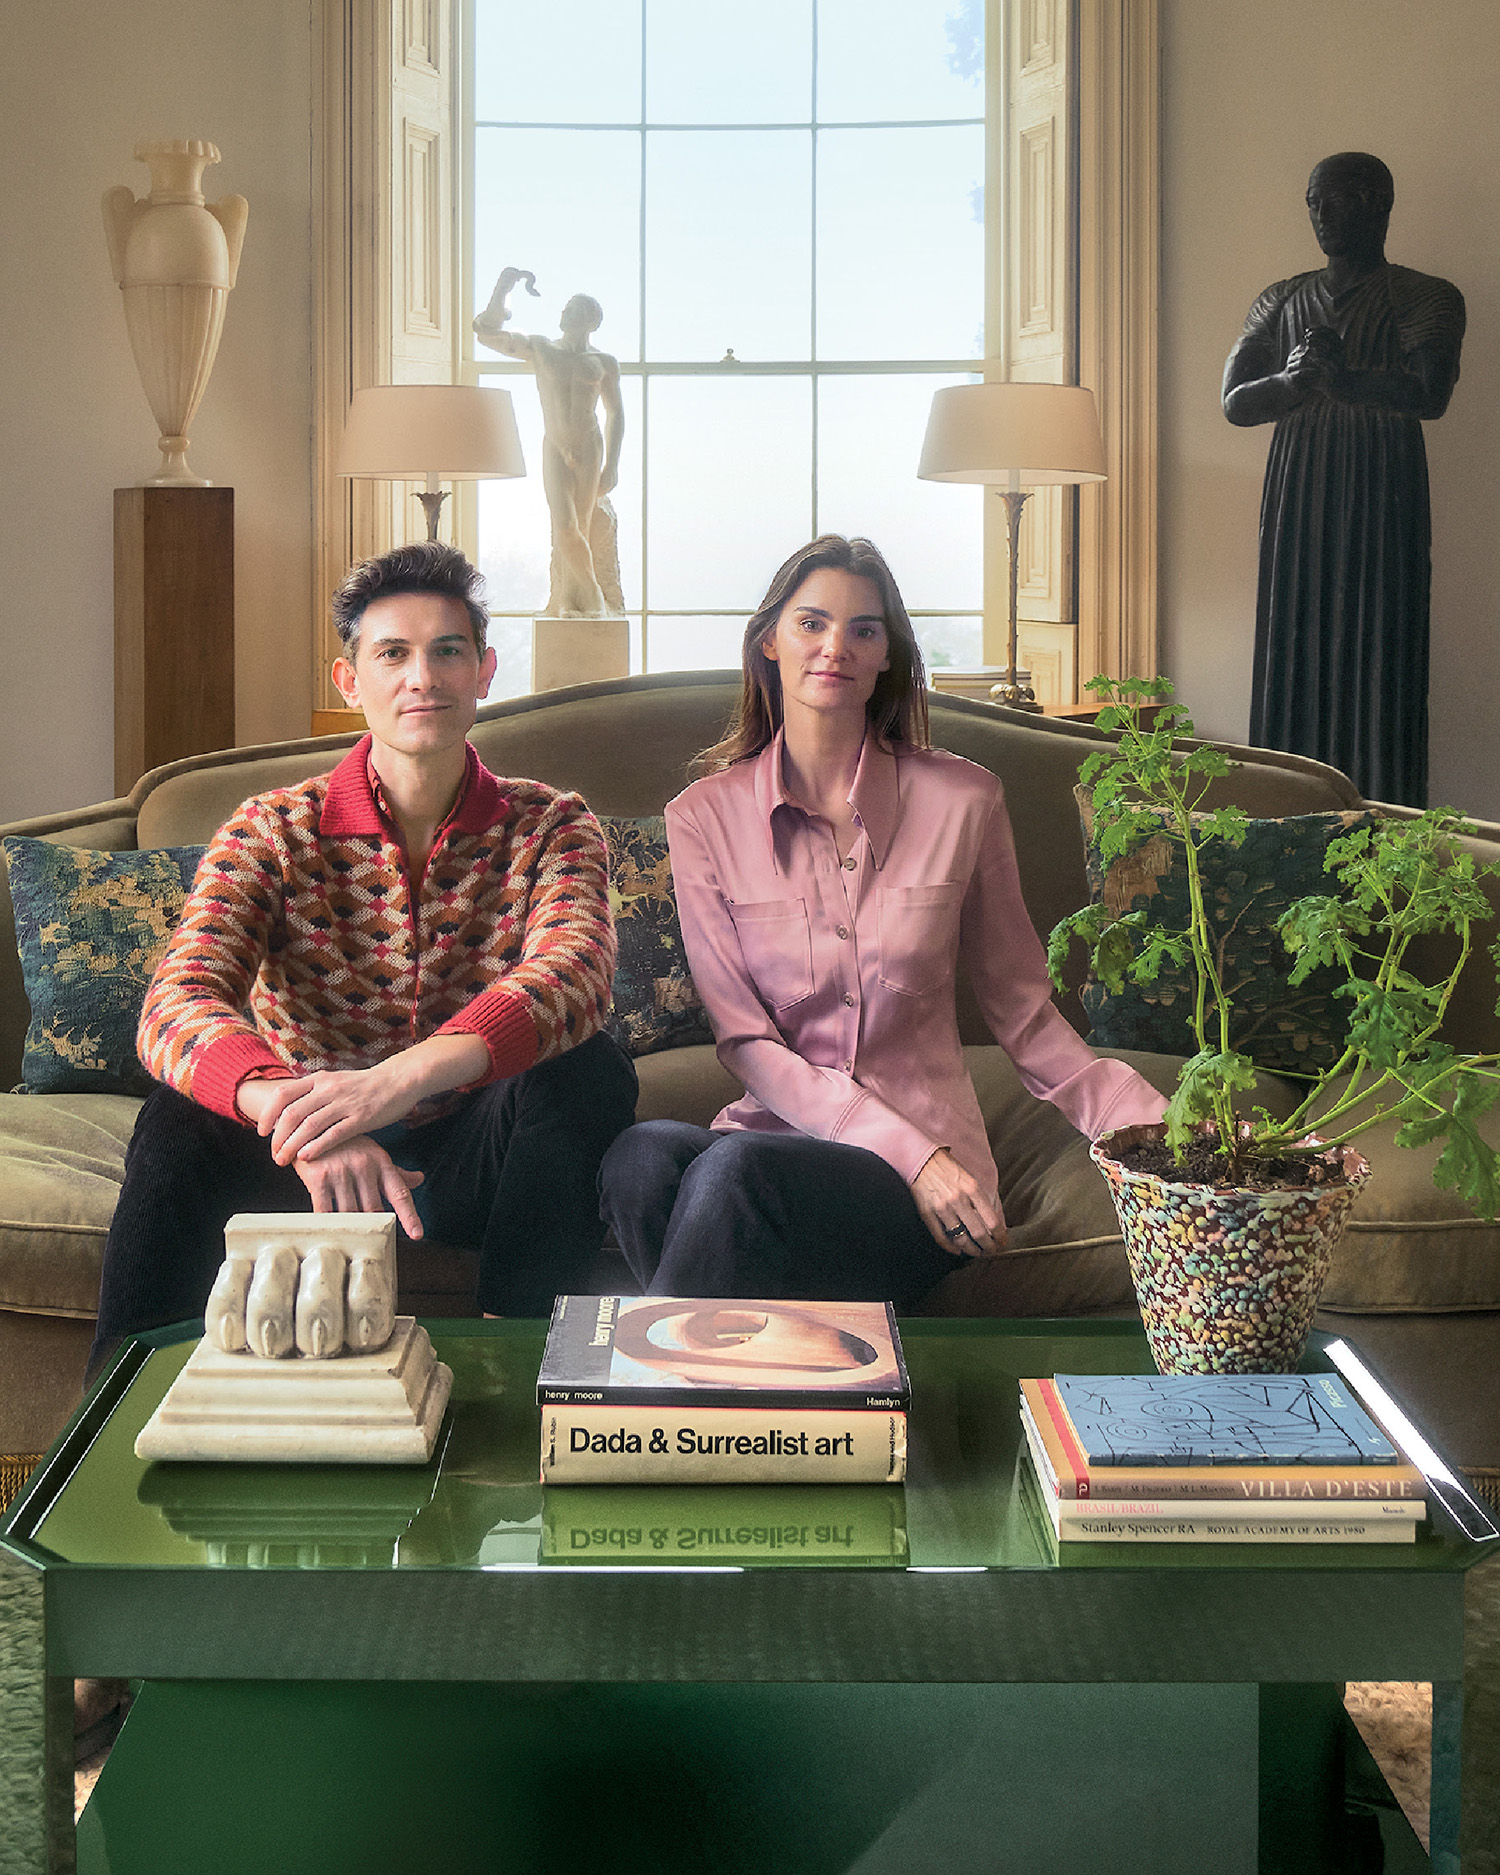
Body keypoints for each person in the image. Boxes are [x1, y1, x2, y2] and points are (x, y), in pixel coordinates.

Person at [89, 541, 638, 1375]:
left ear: (485, 671)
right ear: (351, 681)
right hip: (295, 1163)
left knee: (588, 1068)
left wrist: (395, 1082)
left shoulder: (552, 824)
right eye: (393, 654)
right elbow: (177, 1001)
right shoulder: (272, 828)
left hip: (469, 1157)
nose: (423, 677)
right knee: (176, 1116)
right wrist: (303, 1117)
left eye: (447, 651)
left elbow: (576, 973)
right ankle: (117, 1401)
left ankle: (525, 1368)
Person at [598, 534, 1168, 1307]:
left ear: (886, 655)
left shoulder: (965, 801)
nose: (835, 646)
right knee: (639, 1159)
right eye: (811, 623)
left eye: (863, 629)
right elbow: (745, 1040)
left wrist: (1165, 1125)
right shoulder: (703, 816)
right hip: (769, 1148)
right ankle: (755, 1355)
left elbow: (1026, 1016)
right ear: (769, 641)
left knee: (731, 1175)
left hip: (924, 1182)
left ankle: (652, 1376)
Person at [1222, 152, 1465, 807]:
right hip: (1299, 490)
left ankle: (1379, 826)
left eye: (1337, 199)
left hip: (1381, 490)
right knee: (1292, 639)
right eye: (1313, 202)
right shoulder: (1280, 298)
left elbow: (1430, 392)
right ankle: (1286, 813)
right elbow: (1236, 402)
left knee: (1381, 648)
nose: (1322, 214)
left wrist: (1345, 381)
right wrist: (1291, 380)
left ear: (1378, 203)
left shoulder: (1424, 296)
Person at [473, 267, 625, 619]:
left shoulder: (603, 362)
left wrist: (613, 464)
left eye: (572, 309)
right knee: (565, 526)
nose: (563, 312)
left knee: (581, 525)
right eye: (565, 308)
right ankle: (592, 596)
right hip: (555, 445)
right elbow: (487, 334)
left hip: (588, 446)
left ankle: (571, 599)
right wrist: (504, 287)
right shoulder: (542, 348)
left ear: (590, 321)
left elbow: (616, 412)